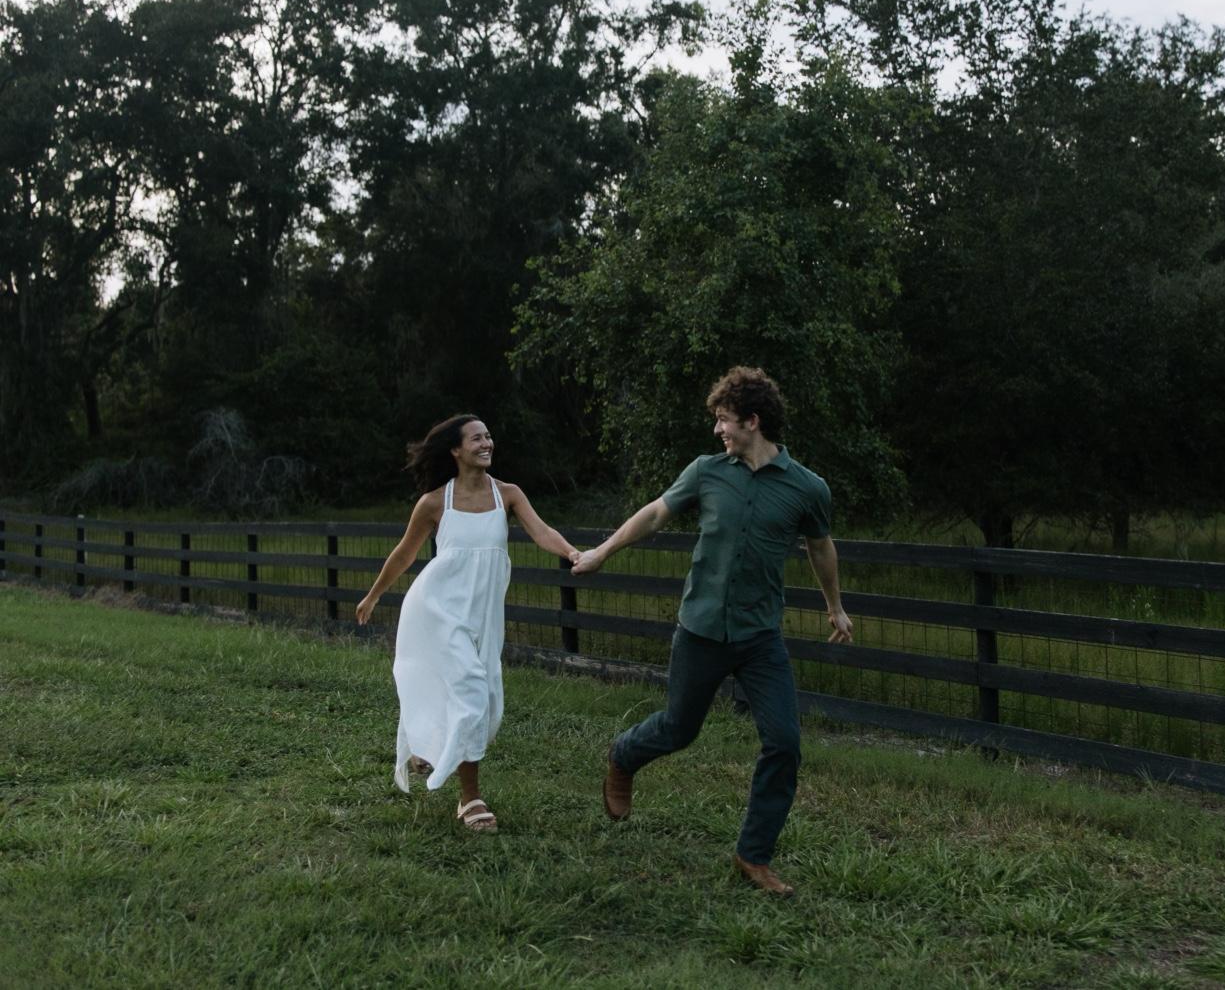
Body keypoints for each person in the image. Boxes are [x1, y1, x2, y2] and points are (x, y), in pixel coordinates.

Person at [572, 366, 853, 895]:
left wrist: (835, 607)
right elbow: (656, 514)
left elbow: (820, 547)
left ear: (752, 421)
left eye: (724, 420)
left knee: (784, 743)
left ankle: (754, 856)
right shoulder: (706, 471)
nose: (717, 429)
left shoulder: (807, 488)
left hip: (759, 637)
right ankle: (623, 756)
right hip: (700, 629)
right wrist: (602, 552)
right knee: (679, 729)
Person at [355, 414, 579, 832]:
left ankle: (431, 746)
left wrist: (572, 553)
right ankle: (470, 799)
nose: (486, 443)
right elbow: (405, 553)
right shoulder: (434, 503)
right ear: (456, 450)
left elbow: (542, 531)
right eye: (476, 438)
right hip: (437, 610)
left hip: (484, 616)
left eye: (488, 436)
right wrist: (374, 594)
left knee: (485, 700)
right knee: (472, 691)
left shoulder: (507, 494)